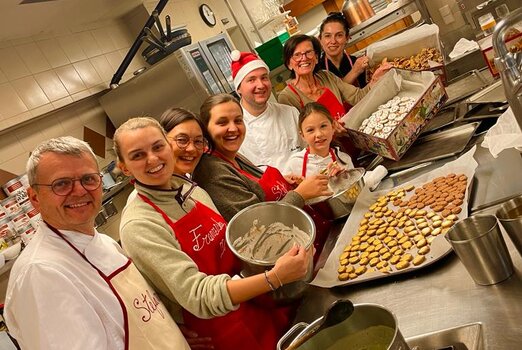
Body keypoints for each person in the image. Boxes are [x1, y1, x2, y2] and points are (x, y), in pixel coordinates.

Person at [115, 114, 312, 350]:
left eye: (158, 147)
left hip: (254, 308)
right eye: (138, 155)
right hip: (221, 334)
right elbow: (198, 296)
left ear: (168, 146)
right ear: (124, 168)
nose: (153, 158)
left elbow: (234, 251)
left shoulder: (191, 189)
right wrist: (275, 278)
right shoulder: (139, 224)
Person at [4, 136, 189, 350]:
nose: (80, 191)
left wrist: (166, 332)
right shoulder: (40, 273)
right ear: (34, 197)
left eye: (88, 179)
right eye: (61, 184)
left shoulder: (104, 242)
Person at [193, 93, 333, 222]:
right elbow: (259, 224)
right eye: (222, 122)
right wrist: (299, 194)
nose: (233, 128)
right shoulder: (211, 172)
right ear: (205, 129)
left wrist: (282, 182)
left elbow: (255, 189)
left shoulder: (231, 156)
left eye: (238, 120)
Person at [278, 34, 391, 118]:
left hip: (350, 135)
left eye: (309, 52)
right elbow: (302, 135)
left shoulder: (326, 76)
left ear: (316, 58)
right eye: (297, 55)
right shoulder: (287, 97)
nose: (304, 58)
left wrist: (375, 79)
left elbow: (358, 97)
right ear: (289, 63)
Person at [230, 50, 304, 172]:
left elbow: (311, 151)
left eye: (264, 78)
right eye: (251, 80)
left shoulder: (291, 113)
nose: (260, 85)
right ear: (238, 89)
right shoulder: (235, 131)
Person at [284, 102, 354, 177]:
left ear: (333, 127)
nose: (319, 134)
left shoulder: (344, 160)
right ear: (302, 136)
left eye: (323, 126)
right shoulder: (295, 163)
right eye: (310, 130)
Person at [318, 12, 371, 87]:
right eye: (327, 36)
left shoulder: (356, 62)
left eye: (339, 35)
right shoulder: (317, 71)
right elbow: (333, 95)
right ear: (320, 39)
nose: (333, 41)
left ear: (347, 38)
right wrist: (354, 72)